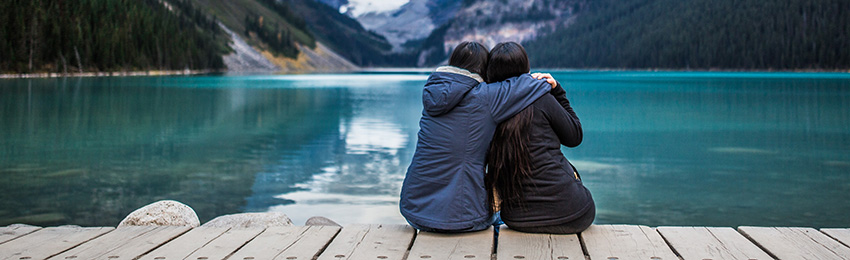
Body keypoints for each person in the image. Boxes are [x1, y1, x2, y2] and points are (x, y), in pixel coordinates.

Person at [400, 42, 555, 232]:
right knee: (502, 218)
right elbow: (527, 85)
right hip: (461, 218)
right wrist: (547, 80)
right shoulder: (485, 97)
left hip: (413, 211)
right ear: (483, 69)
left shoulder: (432, 94)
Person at [485, 42, 595, 234]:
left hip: (518, 220)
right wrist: (557, 91)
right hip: (575, 213)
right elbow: (574, 137)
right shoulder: (542, 98)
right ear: (526, 69)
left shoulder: (487, 107)